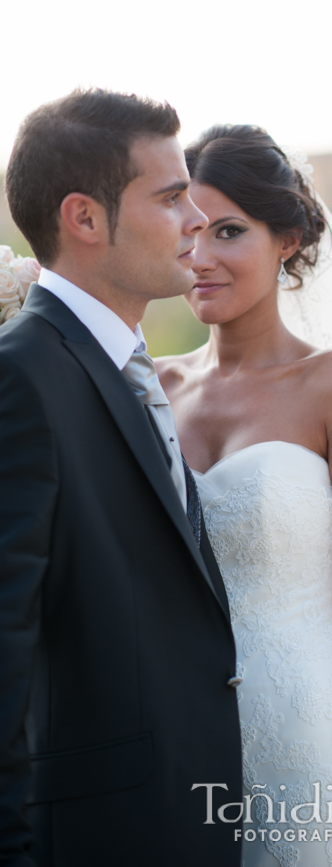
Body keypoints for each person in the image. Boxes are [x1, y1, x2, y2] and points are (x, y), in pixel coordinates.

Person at [156, 124, 332, 867]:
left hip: (311, 741)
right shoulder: (151, 389)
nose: (199, 256)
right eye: (188, 229)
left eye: (228, 231)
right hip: (180, 750)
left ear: (285, 240)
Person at [0, 91, 242, 867]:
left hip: (191, 811)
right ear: (84, 218)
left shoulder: (127, 367)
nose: (197, 219)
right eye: (171, 197)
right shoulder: (23, 378)